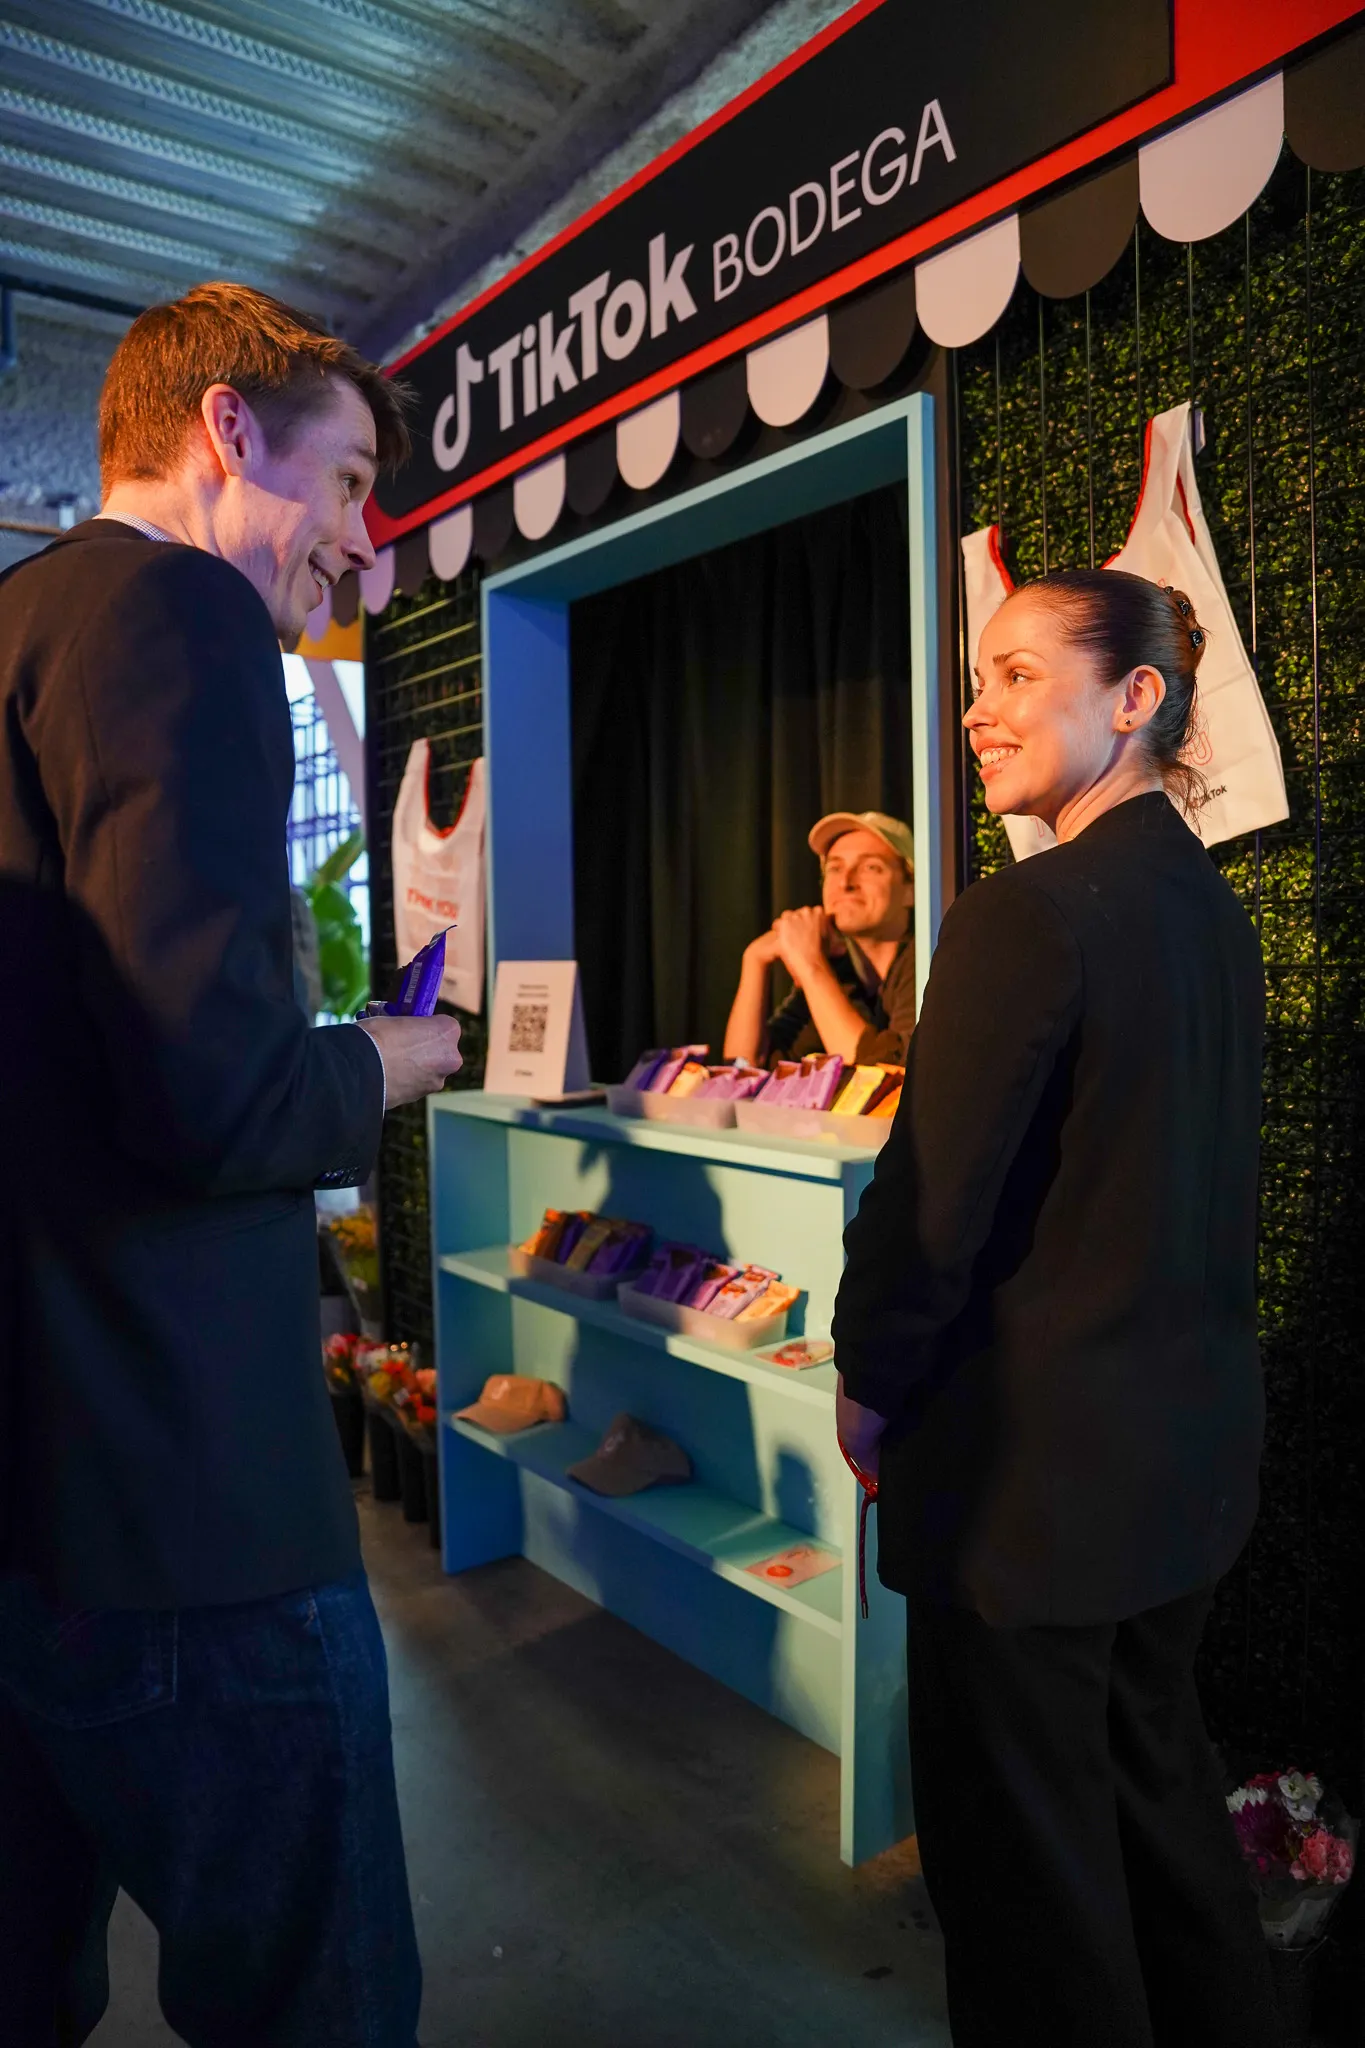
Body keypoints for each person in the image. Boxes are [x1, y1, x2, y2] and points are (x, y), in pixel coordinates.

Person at [0, 282, 463, 2048]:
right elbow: (201, 1097)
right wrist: (376, 1057)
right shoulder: (179, 612)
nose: (365, 553)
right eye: (348, 484)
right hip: (187, 1507)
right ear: (225, 433)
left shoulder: (21, 626)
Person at [832, 570, 1278, 2048]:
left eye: (1021, 675)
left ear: (1135, 698)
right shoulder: (1209, 911)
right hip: (1181, 1474)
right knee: (1157, 1816)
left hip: (1031, 1499)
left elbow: (929, 1207)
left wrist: (866, 1377)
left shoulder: (1029, 913)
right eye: (981, 678)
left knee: (1029, 1889)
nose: (979, 709)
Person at [723, 810, 916, 1067]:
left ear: (911, 890)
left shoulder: (928, 960)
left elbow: (887, 1079)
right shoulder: (839, 969)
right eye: (835, 868)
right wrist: (754, 960)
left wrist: (810, 965)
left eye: (871, 867)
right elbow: (742, 1071)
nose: (846, 883)